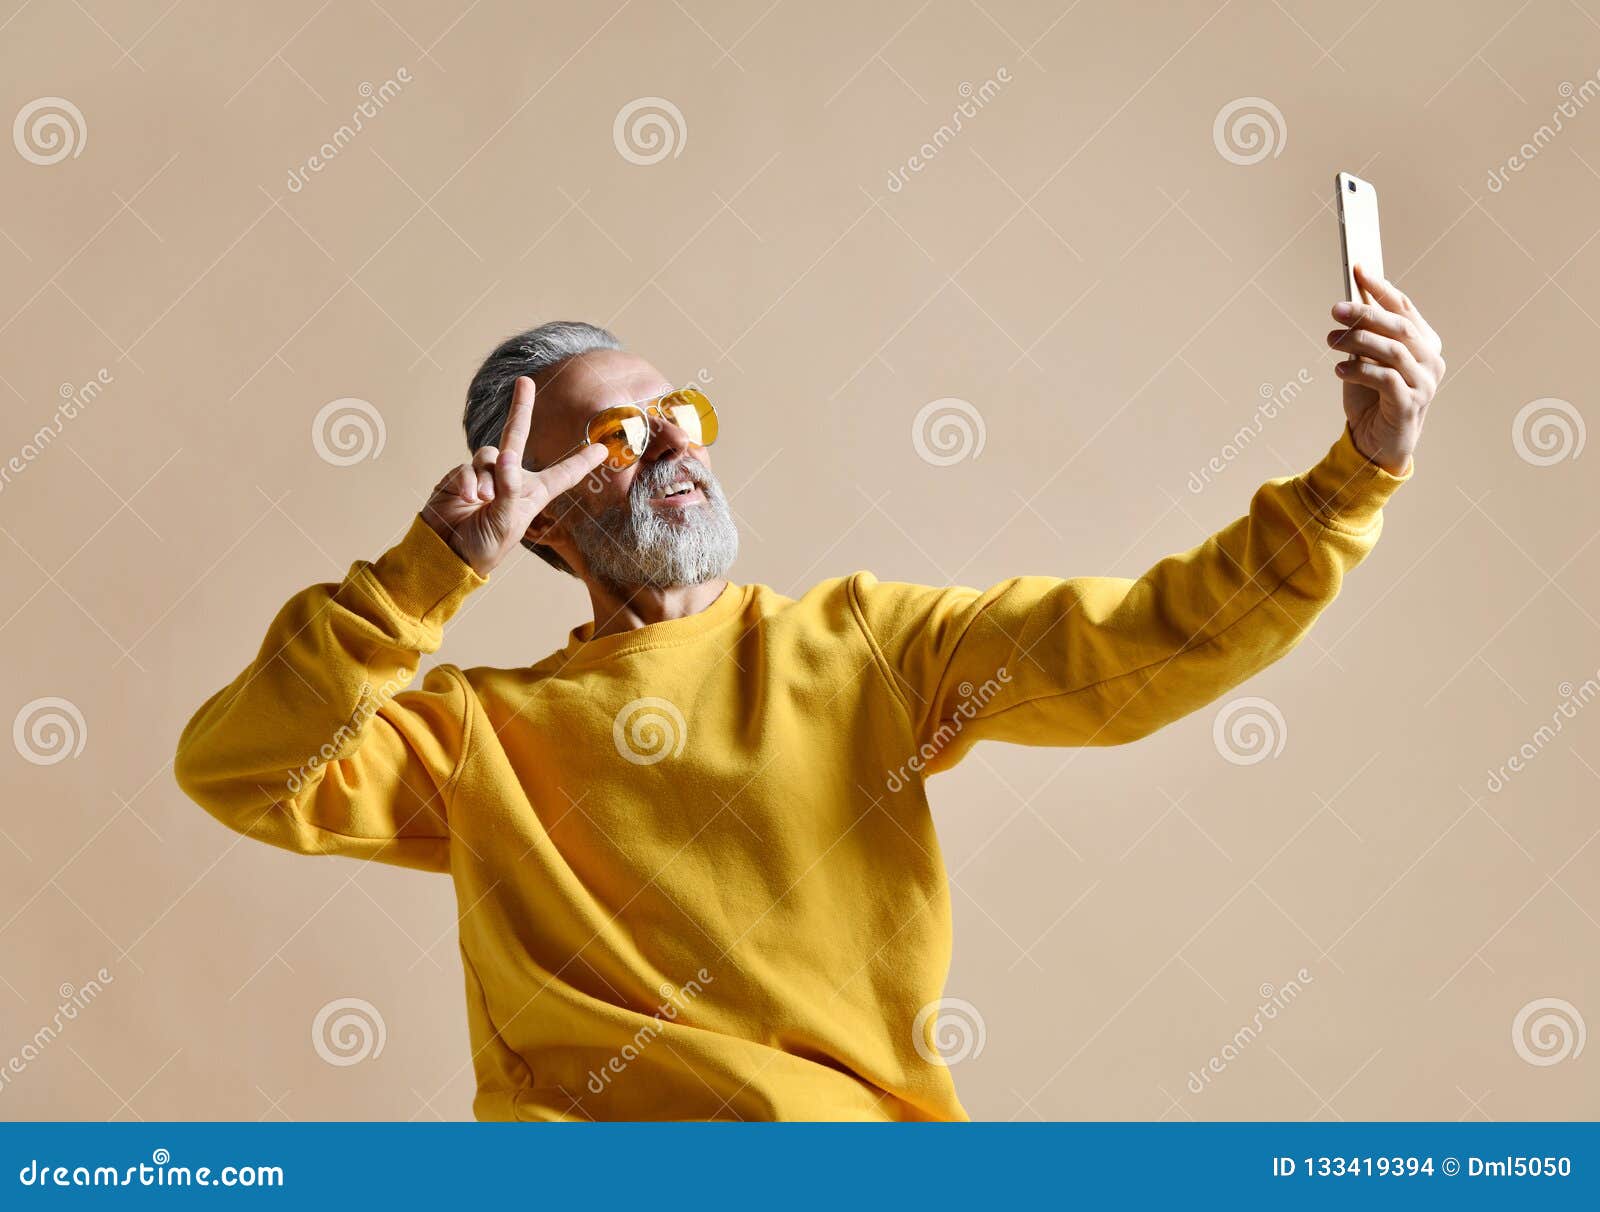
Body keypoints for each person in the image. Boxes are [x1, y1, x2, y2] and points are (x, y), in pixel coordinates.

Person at [174, 265, 1445, 1121]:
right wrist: (428, 571)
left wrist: (1358, 473)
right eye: (614, 438)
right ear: (542, 525)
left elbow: (1156, 641)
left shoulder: (860, 646)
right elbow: (241, 767)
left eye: (675, 413)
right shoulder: (476, 734)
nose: (673, 442)